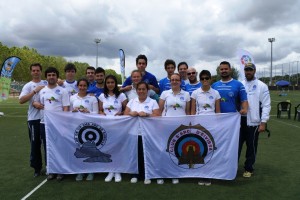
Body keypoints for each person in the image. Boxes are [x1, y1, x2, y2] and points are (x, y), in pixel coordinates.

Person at [33, 67, 70, 181]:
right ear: (46, 77)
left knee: (59, 146)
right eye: (49, 75)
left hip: (58, 124)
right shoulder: (42, 90)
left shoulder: (63, 91)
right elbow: (35, 102)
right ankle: (50, 170)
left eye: (53, 75)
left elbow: (66, 107)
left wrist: (63, 122)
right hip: (45, 123)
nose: (51, 77)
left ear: (57, 76)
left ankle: (60, 170)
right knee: (47, 147)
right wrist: (36, 104)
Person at [124, 82, 161, 184]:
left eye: (143, 89)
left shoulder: (152, 102)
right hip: (134, 133)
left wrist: (147, 114)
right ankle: (135, 174)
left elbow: (158, 116)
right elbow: (125, 114)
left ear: (147, 90)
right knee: (136, 154)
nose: (141, 91)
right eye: (139, 89)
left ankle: (147, 175)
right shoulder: (132, 101)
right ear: (136, 91)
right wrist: (131, 113)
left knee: (148, 154)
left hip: (148, 133)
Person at [239, 63, 271, 178]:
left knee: (251, 147)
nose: (248, 72)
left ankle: (249, 168)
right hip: (239, 121)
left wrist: (263, 122)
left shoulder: (262, 86)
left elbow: (266, 105)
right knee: (236, 146)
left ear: (254, 71)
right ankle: (232, 167)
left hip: (253, 122)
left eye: (250, 70)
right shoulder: (240, 84)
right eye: (246, 70)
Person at [158, 73, 190, 184]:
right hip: (166, 126)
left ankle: (174, 173)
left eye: (177, 79)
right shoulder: (164, 93)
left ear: (180, 81)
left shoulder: (186, 95)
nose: (174, 81)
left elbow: (188, 113)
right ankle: (161, 173)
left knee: (176, 150)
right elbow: (159, 110)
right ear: (170, 81)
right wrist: (160, 124)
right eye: (172, 80)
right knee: (163, 150)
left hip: (180, 128)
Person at [191, 70, 221, 186]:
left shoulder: (216, 93)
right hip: (199, 126)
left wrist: (218, 126)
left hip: (212, 126)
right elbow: (193, 112)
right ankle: (200, 173)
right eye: (202, 78)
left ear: (210, 79)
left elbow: (218, 112)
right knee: (199, 149)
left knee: (210, 150)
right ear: (200, 79)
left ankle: (208, 174)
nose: (204, 80)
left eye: (207, 78)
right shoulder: (195, 93)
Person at [19, 63, 47, 177]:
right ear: (31, 72)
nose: (36, 72)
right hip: (34, 119)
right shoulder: (28, 86)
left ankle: (50, 167)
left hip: (46, 119)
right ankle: (37, 168)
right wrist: (34, 91)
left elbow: (58, 83)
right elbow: (21, 100)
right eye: (34, 70)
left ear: (41, 71)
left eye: (38, 70)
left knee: (47, 144)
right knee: (35, 144)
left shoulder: (46, 82)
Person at [99, 75, 128, 182]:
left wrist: (121, 114)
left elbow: (126, 110)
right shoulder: (102, 96)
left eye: (112, 82)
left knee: (118, 147)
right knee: (108, 147)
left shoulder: (121, 96)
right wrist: (102, 114)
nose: (110, 84)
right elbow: (100, 110)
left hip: (118, 126)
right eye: (108, 83)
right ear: (105, 84)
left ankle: (118, 170)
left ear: (115, 83)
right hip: (106, 126)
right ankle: (110, 170)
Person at [70, 78, 99, 181]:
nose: (82, 87)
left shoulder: (92, 98)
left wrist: (88, 112)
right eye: (80, 85)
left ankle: (90, 171)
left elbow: (97, 113)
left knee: (90, 148)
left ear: (87, 87)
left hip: (89, 127)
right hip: (77, 128)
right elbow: (68, 113)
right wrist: (73, 111)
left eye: (84, 86)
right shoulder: (72, 98)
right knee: (79, 149)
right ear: (77, 86)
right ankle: (80, 171)